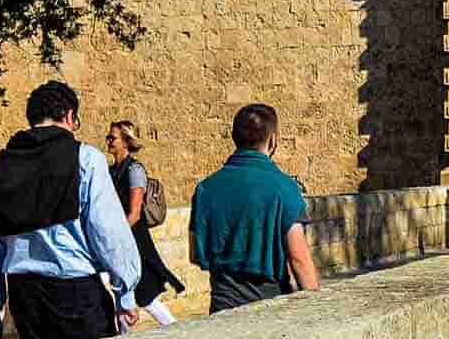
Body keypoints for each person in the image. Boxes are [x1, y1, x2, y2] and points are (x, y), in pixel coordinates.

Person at [0, 81, 142, 339]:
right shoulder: (85, 159)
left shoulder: (1, 166)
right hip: (76, 293)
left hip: (24, 298)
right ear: (69, 116)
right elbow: (108, 233)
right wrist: (125, 295)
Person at [190, 103, 320, 312]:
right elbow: (299, 259)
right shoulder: (284, 188)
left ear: (234, 137)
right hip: (270, 308)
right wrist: (316, 310)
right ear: (273, 139)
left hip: (222, 307)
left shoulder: (205, 189)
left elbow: (196, 254)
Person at [105, 120, 187, 326]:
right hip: (119, 239)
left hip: (133, 241)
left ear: (125, 142)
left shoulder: (134, 170)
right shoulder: (111, 171)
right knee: (121, 294)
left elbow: (134, 213)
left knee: (146, 297)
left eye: (112, 137)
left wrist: (114, 237)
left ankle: (175, 329)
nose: (108, 141)